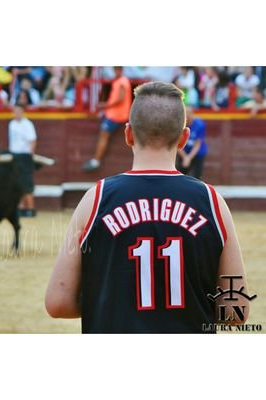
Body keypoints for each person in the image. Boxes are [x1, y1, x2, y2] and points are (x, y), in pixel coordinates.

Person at [46, 81, 250, 333]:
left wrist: (109, 303)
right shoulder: (211, 200)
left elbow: (58, 303)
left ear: (128, 134)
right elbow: (236, 308)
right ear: (184, 138)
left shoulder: (96, 198)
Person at [83, 66, 132, 171]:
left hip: (117, 115)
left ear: (120, 70)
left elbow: (120, 99)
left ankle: (96, 161)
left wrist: (105, 105)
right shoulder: (120, 80)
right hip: (115, 114)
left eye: (117, 69)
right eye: (115, 69)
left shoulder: (122, 81)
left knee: (104, 135)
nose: (116, 71)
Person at [8, 104, 37, 217]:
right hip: (14, 155)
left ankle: (30, 208)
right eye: (15, 111)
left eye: (19, 111)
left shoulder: (27, 124)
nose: (16, 113)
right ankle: (21, 207)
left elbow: (33, 140)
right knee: (17, 182)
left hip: (25, 155)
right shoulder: (12, 124)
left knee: (26, 182)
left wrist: (30, 155)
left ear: (23, 112)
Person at [177, 107, 207, 179]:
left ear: (192, 115)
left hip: (197, 153)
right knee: (181, 173)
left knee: (198, 175)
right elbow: (176, 143)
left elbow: (197, 144)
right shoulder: (179, 124)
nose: (187, 118)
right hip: (183, 151)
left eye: (188, 116)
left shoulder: (199, 124)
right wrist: (185, 157)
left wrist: (188, 158)